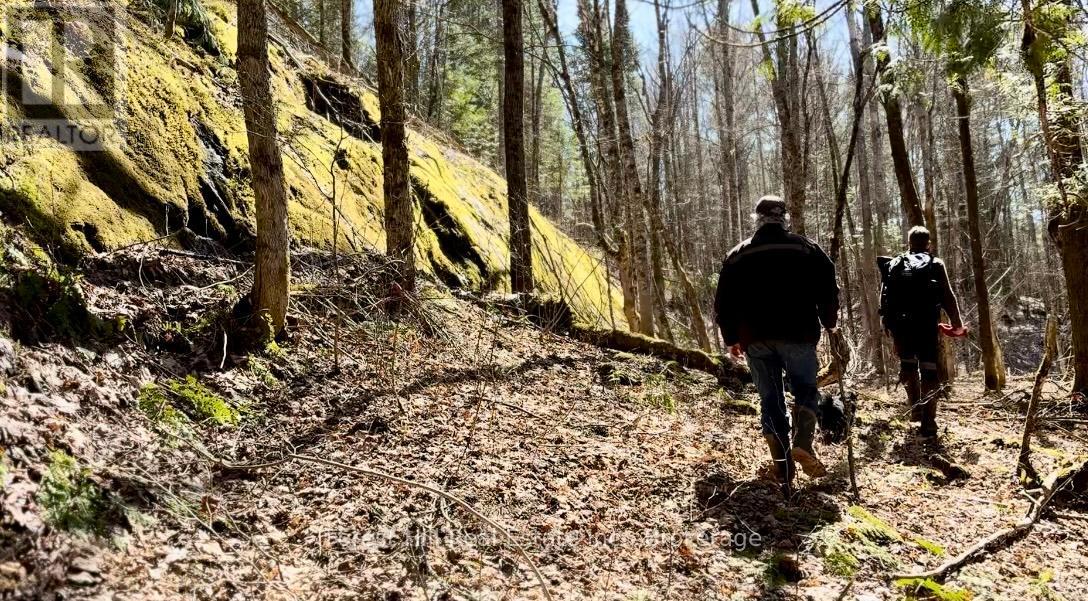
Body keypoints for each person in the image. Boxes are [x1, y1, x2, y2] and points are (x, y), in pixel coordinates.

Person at [714, 196, 840, 494]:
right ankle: (803, 443)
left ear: (756, 219)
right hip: (798, 333)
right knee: (806, 389)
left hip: (755, 338)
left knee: (770, 399)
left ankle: (783, 468)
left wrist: (731, 338)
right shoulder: (806, 248)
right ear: (784, 218)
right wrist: (830, 321)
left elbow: (723, 303)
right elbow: (828, 287)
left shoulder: (737, 255)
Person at [879, 226, 964, 439]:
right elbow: (948, 296)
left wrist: (887, 324)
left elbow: (884, 297)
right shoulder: (936, 264)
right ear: (928, 244)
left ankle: (915, 409)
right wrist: (957, 324)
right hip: (926, 326)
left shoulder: (895, 264)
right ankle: (929, 422)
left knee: (908, 365)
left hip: (902, 326)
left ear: (909, 243)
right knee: (929, 370)